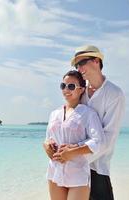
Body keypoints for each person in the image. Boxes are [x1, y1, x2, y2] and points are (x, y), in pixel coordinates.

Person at [45, 45, 125, 200]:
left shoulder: (115, 94)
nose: (79, 68)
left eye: (82, 63)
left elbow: (108, 139)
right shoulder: (80, 90)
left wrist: (74, 155)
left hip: (97, 167)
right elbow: (67, 123)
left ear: (96, 61)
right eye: (76, 65)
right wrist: (50, 145)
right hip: (69, 166)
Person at [43, 70, 104, 200]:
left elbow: (98, 141)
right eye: (63, 86)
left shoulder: (88, 114)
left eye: (71, 86)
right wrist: (46, 146)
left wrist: (73, 151)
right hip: (55, 170)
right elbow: (48, 138)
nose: (66, 89)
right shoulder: (54, 114)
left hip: (78, 173)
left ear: (81, 89)